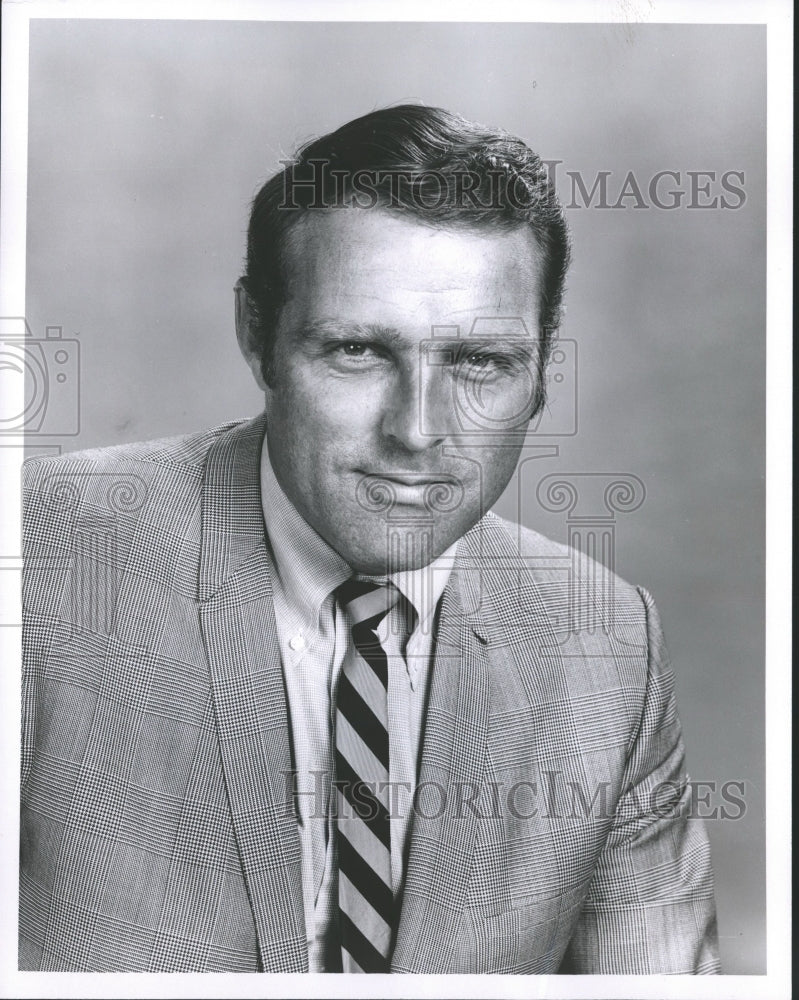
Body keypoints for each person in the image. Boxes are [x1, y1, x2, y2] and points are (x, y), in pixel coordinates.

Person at [20, 104, 720, 974]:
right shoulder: (39, 556)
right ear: (257, 338)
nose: (418, 432)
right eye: (356, 350)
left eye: (480, 363)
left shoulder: (605, 644)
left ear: (541, 373)